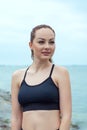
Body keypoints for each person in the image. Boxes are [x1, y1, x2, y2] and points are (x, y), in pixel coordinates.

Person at [11, 24, 72, 130]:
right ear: (31, 45)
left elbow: (66, 116)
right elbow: (16, 117)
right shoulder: (18, 76)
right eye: (41, 42)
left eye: (51, 42)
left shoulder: (61, 73)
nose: (47, 46)